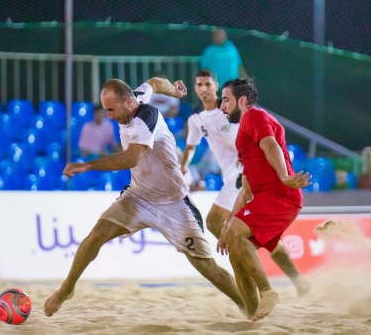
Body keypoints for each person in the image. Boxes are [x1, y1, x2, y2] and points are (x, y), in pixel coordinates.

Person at [44, 77, 245, 317]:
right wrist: (173, 91)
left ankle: (245, 305)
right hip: (138, 196)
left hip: (174, 203)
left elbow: (131, 158)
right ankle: (67, 289)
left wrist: (87, 166)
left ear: (128, 103)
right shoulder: (136, 97)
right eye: (105, 109)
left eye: (111, 109)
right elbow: (154, 82)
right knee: (97, 234)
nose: (108, 116)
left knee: (207, 267)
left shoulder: (144, 119)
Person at [181, 68, 311, 298]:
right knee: (252, 234)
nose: (203, 89)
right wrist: (183, 167)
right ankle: (295, 279)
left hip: (241, 178)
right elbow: (191, 147)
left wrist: (260, 171)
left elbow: (259, 143)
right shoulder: (196, 118)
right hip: (230, 179)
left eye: (207, 84)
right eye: (198, 85)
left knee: (221, 226)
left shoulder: (233, 114)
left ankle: (251, 273)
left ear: (216, 86)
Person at [217, 78, 312, 321]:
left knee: (237, 235)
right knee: (236, 253)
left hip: (279, 194)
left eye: (225, 99)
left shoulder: (253, 116)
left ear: (242, 101)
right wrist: (228, 222)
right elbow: (247, 189)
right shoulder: (245, 133)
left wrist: (284, 176)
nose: (221, 106)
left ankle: (268, 292)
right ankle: (252, 316)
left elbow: (271, 145)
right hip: (265, 195)